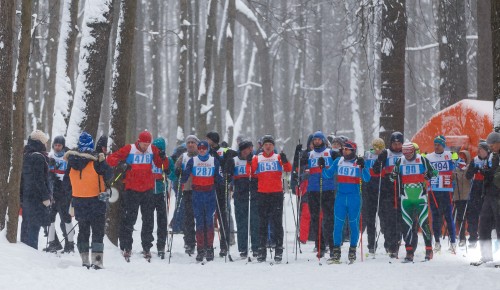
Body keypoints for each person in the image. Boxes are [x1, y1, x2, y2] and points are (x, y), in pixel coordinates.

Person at [106, 130, 169, 261]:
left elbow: (162, 166)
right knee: (130, 218)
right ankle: (126, 246)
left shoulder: (153, 150)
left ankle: (147, 247)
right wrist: (121, 164)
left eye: (148, 144)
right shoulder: (130, 148)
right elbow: (110, 159)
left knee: (148, 219)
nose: (146, 147)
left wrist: (163, 157)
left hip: (147, 190)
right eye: (144, 144)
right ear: (139, 141)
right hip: (131, 189)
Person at [64, 132, 112, 269]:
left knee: (83, 230)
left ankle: (84, 260)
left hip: (79, 201)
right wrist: (104, 162)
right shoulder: (97, 161)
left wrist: (73, 197)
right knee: (97, 232)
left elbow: (66, 184)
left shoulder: (71, 162)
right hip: (97, 201)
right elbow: (109, 174)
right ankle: (97, 261)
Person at [320, 140, 369, 264]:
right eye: (344, 149)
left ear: (353, 151)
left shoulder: (358, 162)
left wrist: (363, 167)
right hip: (340, 198)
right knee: (338, 225)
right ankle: (336, 252)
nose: (345, 151)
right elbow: (327, 175)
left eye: (348, 149)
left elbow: (367, 178)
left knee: (353, 224)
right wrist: (322, 166)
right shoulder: (338, 161)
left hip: (354, 198)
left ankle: (352, 251)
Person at [249, 135, 292, 263]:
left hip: (276, 194)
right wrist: (248, 162)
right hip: (262, 194)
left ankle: (279, 249)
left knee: (277, 223)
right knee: (262, 223)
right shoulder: (257, 158)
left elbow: (288, 169)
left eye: (270, 144)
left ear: (273, 146)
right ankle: (262, 250)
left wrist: (284, 160)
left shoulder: (278, 157)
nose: (268, 146)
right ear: (262, 146)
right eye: (266, 144)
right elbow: (251, 173)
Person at [392, 142, 437, 262]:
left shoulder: (422, 159)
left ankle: (429, 250)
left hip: (420, 197)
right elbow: (392, 177)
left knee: (423, 224)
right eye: (404, 153)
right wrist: (394, 174)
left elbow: (435, 173)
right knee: (406, 226)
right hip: (406, 199)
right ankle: (409, 252)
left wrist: (429, 174)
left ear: (413, 152)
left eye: (409, 153)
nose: (406, 156)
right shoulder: (400, 161)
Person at [180, 140, 223, 262]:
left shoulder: (213, 160)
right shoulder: (193, 160)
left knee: (209, 221)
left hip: (209, 194)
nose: (202, 150)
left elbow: (219, 177)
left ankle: (209, 248)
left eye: (204, 148)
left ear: (208, 149)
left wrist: (225, 178)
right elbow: (185, 175)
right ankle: (200, 249)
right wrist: (181, 175)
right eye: (200, 148)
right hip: (197, 194)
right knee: (199, 221)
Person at [301, 131, 338, 258]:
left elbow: (340, 161)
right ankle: (320, 246)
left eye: (319, 139)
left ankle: (333, 246)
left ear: (323, 140)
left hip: (328, 189)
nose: (316, 141)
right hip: (313, 189)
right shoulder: (309, 154)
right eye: (314, 140)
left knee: (329, 219)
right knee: (315, 219)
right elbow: (300, 167)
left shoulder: (330, 152)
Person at [372, 131, 404, 258]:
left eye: (399, 143)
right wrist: (380, 162)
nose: (396, 146)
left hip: (401, 189)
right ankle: (389, 243)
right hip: (387, 190)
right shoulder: (386, 153)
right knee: (388, 220)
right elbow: (376, 169)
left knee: (399, 219)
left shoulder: (405, 153)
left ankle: (395, 244)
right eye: (394, 143)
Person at [226, 140, 259, 258]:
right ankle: (243, 249)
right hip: (240, 196)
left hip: (254, 196)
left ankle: (256, 248)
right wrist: (228, 170)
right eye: (245, 150)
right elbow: (228, 176)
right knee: (242, 224)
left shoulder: (256, 159)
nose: (247, 152)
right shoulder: (235, 160)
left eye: (249, 149)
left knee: (255, 223)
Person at [206, 131, 237, 257]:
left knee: (222, 215)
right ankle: (208, 246)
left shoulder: (223, 150)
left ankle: (224, 245)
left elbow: (235, 156)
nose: (206, 141)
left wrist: (228, 167)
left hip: (221, 187)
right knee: (209, 217)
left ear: (213, 140)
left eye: (208, 139)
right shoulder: (205, 150)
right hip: (208, 186)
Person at [471, 132, 500, 266]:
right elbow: (492, 172)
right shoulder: (492, 156)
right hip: (489, 194)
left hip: (498, 195)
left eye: (492, 145)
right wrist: (485, 172)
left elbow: (496, 174)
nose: (491, 147)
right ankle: (486, 256)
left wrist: (489, 174)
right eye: (489, 145)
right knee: (483, 224)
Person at [20, 130, 51, 250]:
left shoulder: (25, 155)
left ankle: (24, 250)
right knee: (34, 226)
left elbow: (22, 178)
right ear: (40, 142)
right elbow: (40, 180)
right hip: (36, 198)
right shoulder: (38, 157)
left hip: (27, 196)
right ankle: (32, 253)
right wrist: (45, 197)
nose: (46, 145)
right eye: (45, 142)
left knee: (26, 225)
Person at [426, 135, 456, 253]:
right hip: (433, 190)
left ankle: (453, 243)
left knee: (448, 216)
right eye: (435, 144)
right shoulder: (429, 157)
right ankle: (437, 242)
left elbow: (461, 166)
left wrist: (456, 161)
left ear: (443, 145)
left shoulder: (449, 155)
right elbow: (424, 170)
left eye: (438, 144)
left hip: (446, 190)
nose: (436, 146)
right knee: (435, 216)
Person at [45, 135, 75, 253]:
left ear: (63, 146)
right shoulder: (50, 156)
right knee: (50, 218)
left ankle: (70, 244)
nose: (57, 147)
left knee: (66, 218)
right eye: (56, 145)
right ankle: (52, 243)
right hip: (52, 192)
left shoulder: (68, 157)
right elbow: (47, 175)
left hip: (65, 192)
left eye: (60, 145)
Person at [174, 135, 199, 255]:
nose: (190, 144)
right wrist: (177, 171)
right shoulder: (183, 157)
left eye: (193, 142)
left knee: (200, 218)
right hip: (187, 190)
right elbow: (176, 169)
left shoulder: (202, 156)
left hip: (200, 190)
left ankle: (201, 242)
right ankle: (189, 242)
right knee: (188, 218)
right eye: (188, 142)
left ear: (197, 144)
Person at [151, 137, 175, 259]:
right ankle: (147, 246)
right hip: (149, 193)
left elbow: (174, 176)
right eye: (155, 148)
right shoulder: (149, 158)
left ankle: (161, 246)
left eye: (160, 149)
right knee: (148, 220)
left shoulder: (167, 160)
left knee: (162, 220)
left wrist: (168, 172)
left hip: (161, 193)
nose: (157, 151)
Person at [465, 141, 491, 248]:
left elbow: (492, 175)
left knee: (485, 216)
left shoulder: (490, 160)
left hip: (486, 190)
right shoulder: (474, 160)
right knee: (472, 214)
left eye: (482, 149)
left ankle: (485, 238)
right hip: (475, 189)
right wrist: (473, 170)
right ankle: (472, 237)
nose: (479, 151)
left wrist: (485, 171)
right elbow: (467, 176)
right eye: (478, 149)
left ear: (486, 151)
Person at [362, 138, 385, 255]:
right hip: (369, 189)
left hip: (382, 189)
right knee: (370, 218)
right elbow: (364, 169)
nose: (377, 150)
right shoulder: (367, 155)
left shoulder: (385, 155)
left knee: (383, 218)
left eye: (380, 148)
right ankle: (371, 244)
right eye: (375, 147)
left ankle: (388, 242)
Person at [454, 149, 472, 247]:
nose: (462, 159)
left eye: (464, 157)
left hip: (468, 197)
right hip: (458, 197)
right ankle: (462, 238)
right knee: (460, 218)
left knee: (470, 218)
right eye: (460, 157)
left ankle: (472, 236)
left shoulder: (470, 168)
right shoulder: (455, 169)